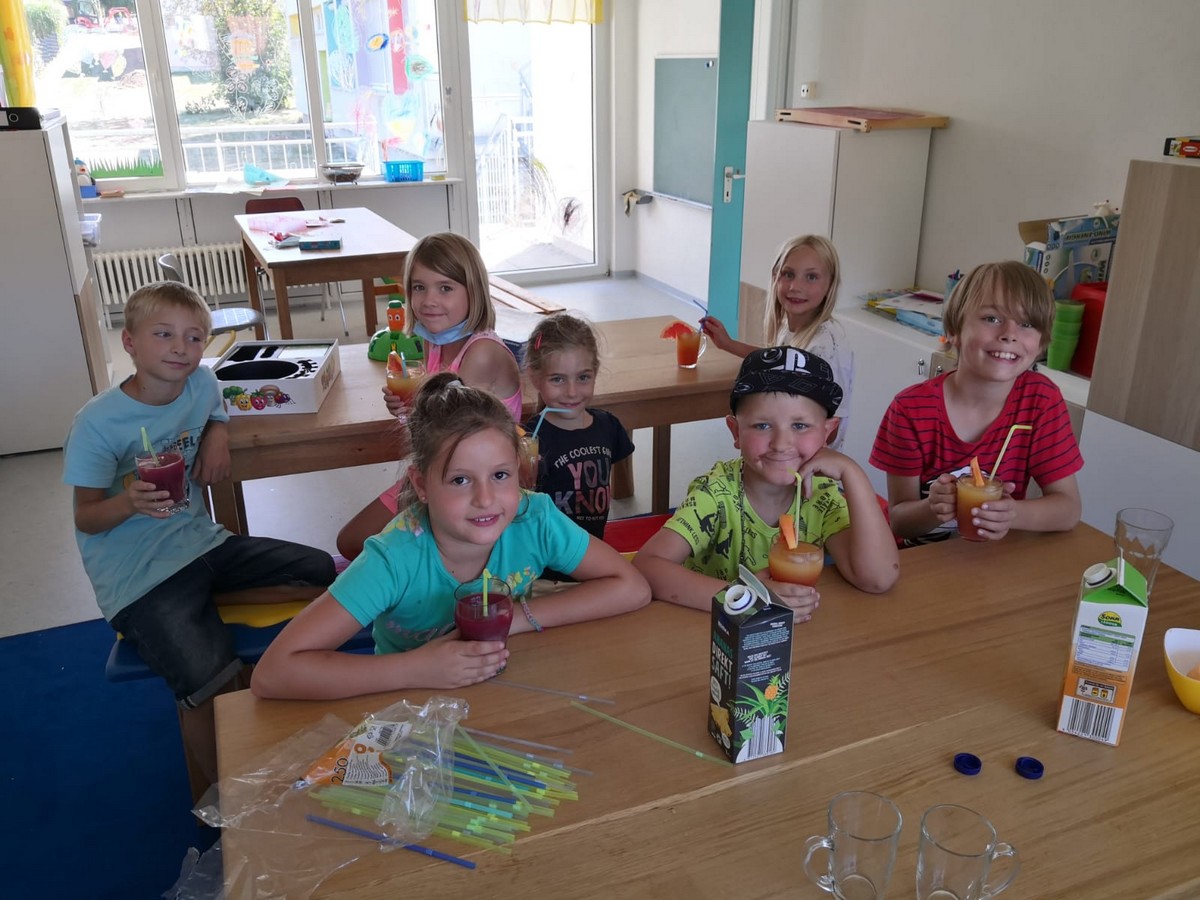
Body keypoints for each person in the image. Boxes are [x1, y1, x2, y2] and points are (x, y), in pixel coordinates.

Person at [62, 281, 336, 786]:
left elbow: (213, 404)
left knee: (319, 569)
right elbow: (86, 517)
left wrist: (218, 432)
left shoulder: (201, 383)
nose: (180, 349)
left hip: (202, 543)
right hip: (139, 575)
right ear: (130, 342)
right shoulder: (97, 424)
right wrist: (129, 502)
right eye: (163, 334)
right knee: (210, 681)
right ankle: (226, 797)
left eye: (193, 337)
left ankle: (211, 615)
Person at [252, 373, 651, 700]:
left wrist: (515, 619)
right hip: (409, 703)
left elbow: (631, 587)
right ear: (421, 485)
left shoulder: (534, 519)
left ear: (520, 469)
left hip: (507, 686)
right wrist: (416, 668)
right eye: (460, 480)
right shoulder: (395, 557)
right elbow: (273, 673)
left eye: (500, 475)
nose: (485, 499)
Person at [633, 347, 899, 621]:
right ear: (736, 432)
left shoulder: (823, 498)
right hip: (714, 633)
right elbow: (647, 566)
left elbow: (878, 578)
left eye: (800, 426)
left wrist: (852, 473)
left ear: (827, 432)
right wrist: (746, 599)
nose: (781, 444)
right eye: (762, 426)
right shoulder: (715, 494)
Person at [870, 260, 1083, 544]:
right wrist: (932, 509)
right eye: (992, 319)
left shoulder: (1041, 400)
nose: (1009, 334)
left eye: (1027, 324)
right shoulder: (910, 410)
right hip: (924, 561)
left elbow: (1068, 509)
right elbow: (900, 522)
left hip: (997, 561)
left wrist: (1012, 514)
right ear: (954, 331)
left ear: (1041, 344)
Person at [338, 232, 522, 559]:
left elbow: (452, 438)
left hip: (473, 485)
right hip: (442, 475)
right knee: (352, 542)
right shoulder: (435, 340)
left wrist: (414, 413)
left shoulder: (480, 353)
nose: (428, 301)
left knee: (359, 545)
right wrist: (408, 407)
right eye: (419, 287)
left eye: (445, 288)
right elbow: (436, 420)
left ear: (474, 291)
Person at [700, 235, 854, 449]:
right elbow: (780, 360)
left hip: (806, 457)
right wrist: (728, 344)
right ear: (775, 277)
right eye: (788, 274)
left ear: (830, 284)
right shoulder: (791, 324)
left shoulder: (826, 346)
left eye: (811, 277)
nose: (795, 286)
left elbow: (832, 425)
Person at [522, 312, 635, 542]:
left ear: (595, 372)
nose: (572, 392)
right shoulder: (528, 440)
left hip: (594, 549)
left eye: (583, 377)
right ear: (535, 378)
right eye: (558, 379)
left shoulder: (608, 426)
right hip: (547, 555)